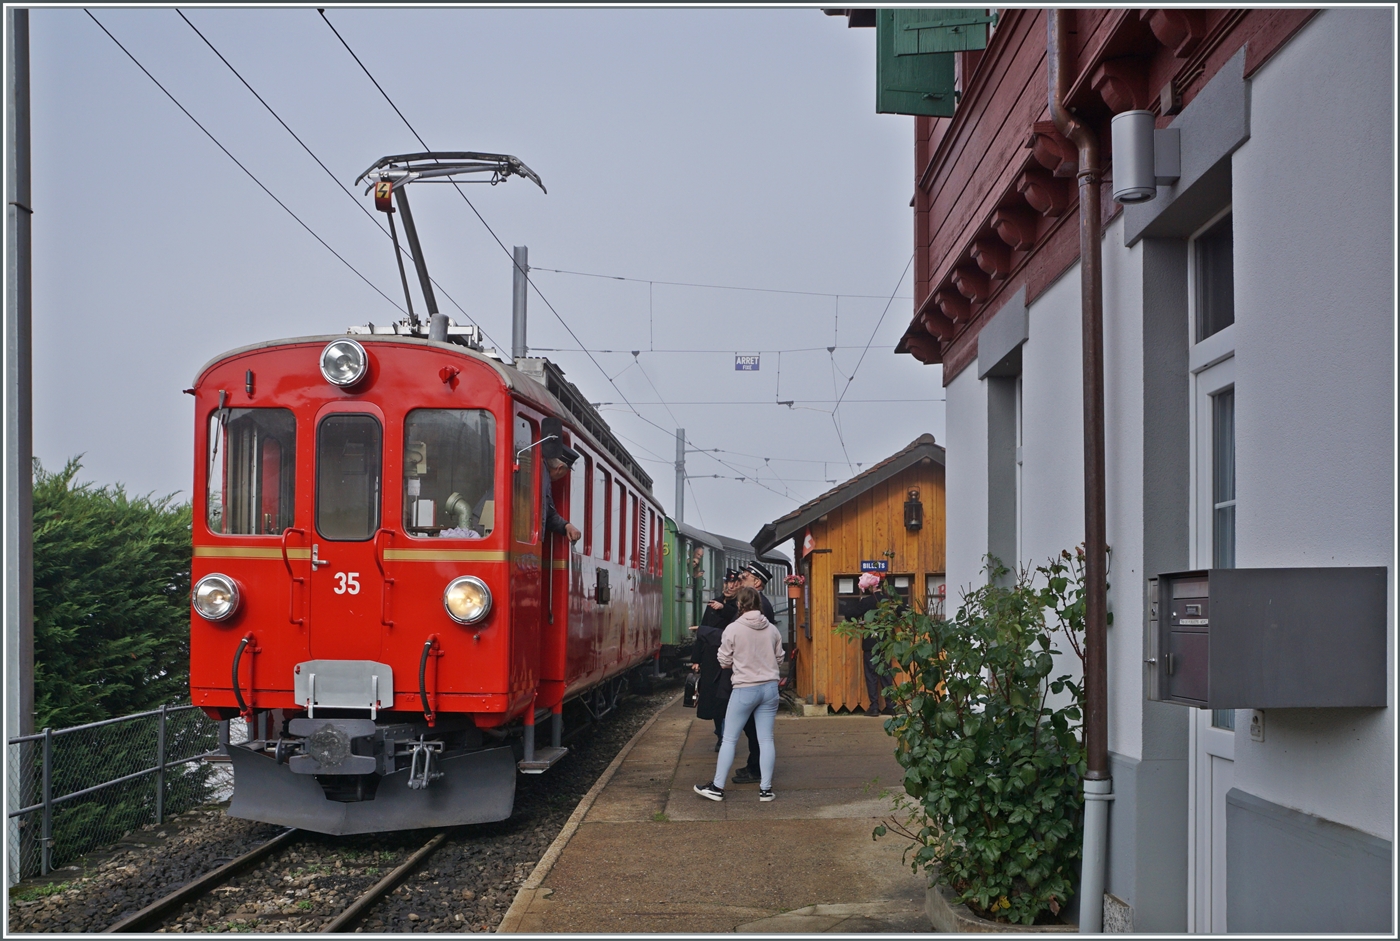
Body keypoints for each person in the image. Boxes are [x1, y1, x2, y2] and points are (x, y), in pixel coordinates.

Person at [694, 586, 784, 803]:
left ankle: (717, 787)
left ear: (740, 605)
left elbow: (723, 660)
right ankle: (765, 790)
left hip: (745, 688)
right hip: (770, 688)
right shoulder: (771, 629)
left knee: (729, 739)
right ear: (758, 604)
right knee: (766, 739)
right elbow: (779, 657)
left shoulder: (733, 629)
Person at [729, 561, 776, 784]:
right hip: (760, 681)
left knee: (754, 731)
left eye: (745, 577)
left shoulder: (759, 609)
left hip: (752, 681)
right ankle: (754, 767)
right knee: (755, 731)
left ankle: (756, 770)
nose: (740, 580)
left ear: (757, 582)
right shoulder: (759, 605)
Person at [692, 570, 740, 751]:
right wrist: (696, 658)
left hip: (729, 660)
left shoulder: (738, 606)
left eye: (734, 584)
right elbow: (703, 630)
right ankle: (719, 733)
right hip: (711, 658)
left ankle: (726, 737)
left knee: (726, 699)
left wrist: (724, 610)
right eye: (728, 582)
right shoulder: (714, 603)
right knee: (712, 698)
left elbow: (736, 620)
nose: (730, 586)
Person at [855, 573, 893, 717]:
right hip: (886, 643)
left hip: (870, 643)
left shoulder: (866, 602)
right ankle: (890, 705)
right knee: (886, 675)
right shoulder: (888, 601)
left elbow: (850, 614)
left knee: (871, 675)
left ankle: (874, 707)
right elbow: (902, 613)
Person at [543, 453, 582, 543]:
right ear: (559, 468)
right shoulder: (543, 480)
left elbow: (549, 515)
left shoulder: (546, 482)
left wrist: (566, 526)